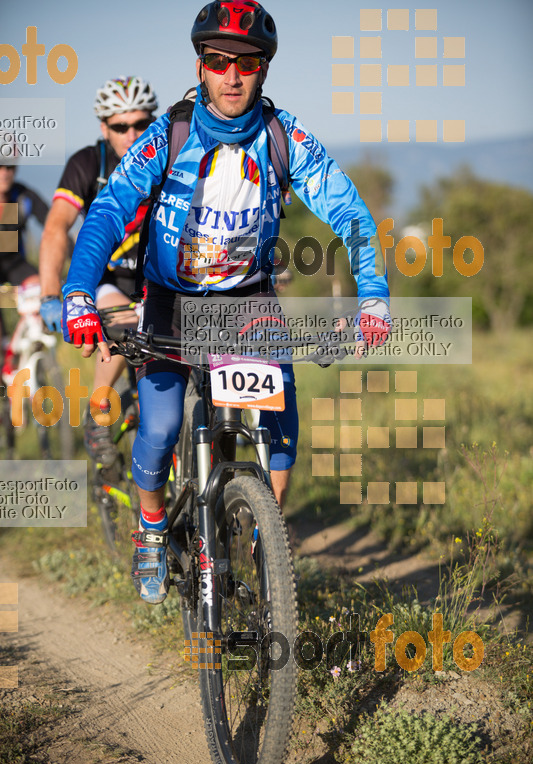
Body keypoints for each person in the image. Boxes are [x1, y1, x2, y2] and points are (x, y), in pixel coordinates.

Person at [60, 0, 392, 605]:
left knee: (280, 426)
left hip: (248, 303)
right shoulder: (170, 135)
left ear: (264, 69)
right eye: (219, 61)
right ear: (201, 65)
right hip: (170, 303)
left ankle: (267, 540)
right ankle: (153, 528)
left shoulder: (282, 137)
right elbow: (107, 211)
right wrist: (79, 290)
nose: (233, 76)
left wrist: (373, 296)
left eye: (247, 62)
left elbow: (350, 212)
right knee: (158, 429)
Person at [39, 76, 158, 466]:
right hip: (109, 279)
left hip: (157, 280)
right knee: (125, 320)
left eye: (141, 124)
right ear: (104, 127)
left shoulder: (167, 157)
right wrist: (50, 294)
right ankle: (98, 415)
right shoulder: (88, 163)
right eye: (121, 126)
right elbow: (57, 228)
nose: (132, 134)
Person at [0, 159, 48, 381]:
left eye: (10, 166)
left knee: (42, 290)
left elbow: (53, 228)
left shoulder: (21, 196)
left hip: (15, 267)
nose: (5, 172)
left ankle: (32, 357)